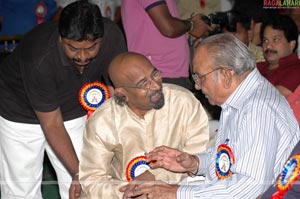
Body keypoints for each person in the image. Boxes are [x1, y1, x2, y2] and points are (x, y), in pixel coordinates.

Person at [122, 33, 300, 199]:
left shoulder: (257, 108)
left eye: (200, 77)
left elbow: (250, 187)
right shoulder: (242, 98)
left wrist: (177, 193)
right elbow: (228, 159)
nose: (198, 86)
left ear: (225, 75)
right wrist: (196, 163)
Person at [0, 1, 127, 199]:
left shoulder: (113, 36)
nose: (83, 56)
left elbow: (117, 87)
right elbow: (52, 123)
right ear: (61, 39)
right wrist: (80, 174)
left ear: (101, 38)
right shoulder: (38, 55)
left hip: (72, 104)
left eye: (91, 47)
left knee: (82, 180)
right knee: (21, 187)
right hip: (18, 108)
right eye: (73, 48)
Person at [79, 52, 210, 198]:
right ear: (123, 93)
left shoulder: (183, 102)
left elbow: (200, 156)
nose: (155, 86)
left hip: (176, 189)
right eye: (144, 84)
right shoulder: (103, 120)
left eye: (155, 75)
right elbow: (92, 179)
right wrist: (131, 193)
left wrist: (154, 178)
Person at [121, 0, 211, 90]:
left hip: (165, 74)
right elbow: (168, 28)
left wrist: (189, 30)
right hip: (160, 75)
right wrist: (192, 25)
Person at [257, 14, 300, 98]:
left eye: (275, 40)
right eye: (265, 40)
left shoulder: (297, 70)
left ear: (292, 44)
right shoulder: (258, 67)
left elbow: (271, 100)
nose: (268, 46)